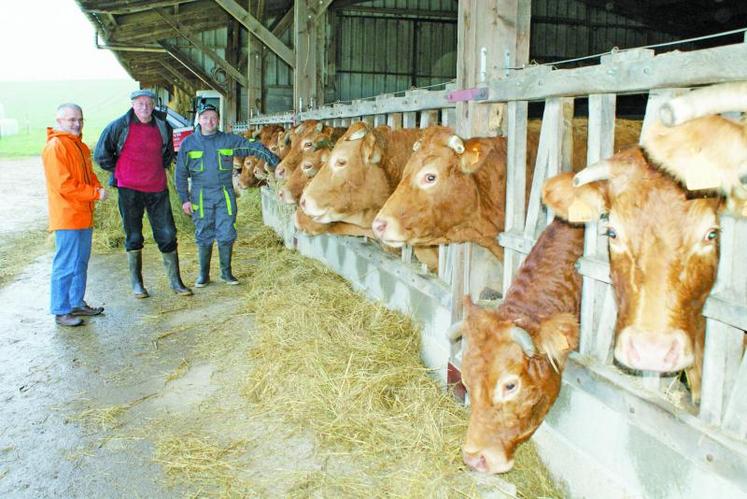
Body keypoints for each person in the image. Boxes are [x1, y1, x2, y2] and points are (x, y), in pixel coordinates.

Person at [94, 89, 191, 298]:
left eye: (148, 103)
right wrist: (121, 171)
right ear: (132, 105)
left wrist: (154, 169)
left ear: (154, 105)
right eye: (140, 103)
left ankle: (176, 282)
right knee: (134, 235)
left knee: (167, 234)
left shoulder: (162, 125)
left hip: (157, 189)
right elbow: (101, 154)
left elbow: (168, 153)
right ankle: (137, 284)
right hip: (129, 190)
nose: (145, 107)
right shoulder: (118, 126)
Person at [175, 104, 279, 286]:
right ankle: (203, 275)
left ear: (218, 120)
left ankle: (226, 273)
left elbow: (250, 147)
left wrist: (272, 159)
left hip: (224, 194)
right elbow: (181, 174)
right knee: (203, 233)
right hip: (200, 195)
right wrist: (184, 199)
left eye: (213, 117)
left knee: (227, 232)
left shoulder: (228, 140)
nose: (210, 121)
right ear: (199, 119)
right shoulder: (189, 143)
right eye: (205, 117)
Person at [42, 103, 107, 327]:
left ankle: (76, 302)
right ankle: (61, 311)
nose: (77, 123)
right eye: (71, 120)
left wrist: (97, 188)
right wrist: (94, 193)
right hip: (68, 216)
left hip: (83, 214)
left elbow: (89, 175)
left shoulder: (80, 145)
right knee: (66, 264)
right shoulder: (56, 146)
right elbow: (64, 185)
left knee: (80, 262)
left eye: (79, 119)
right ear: (59, 121)